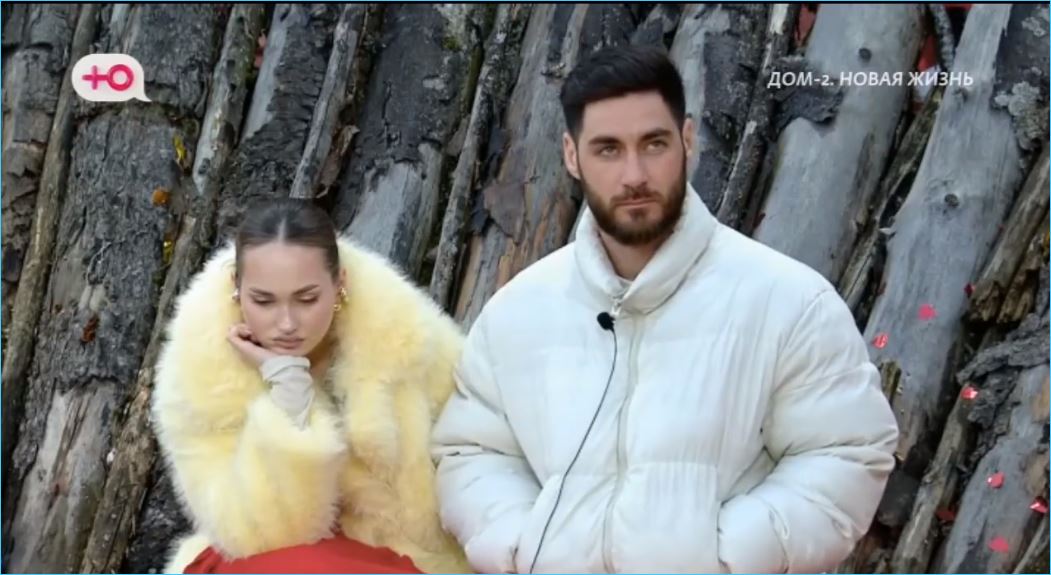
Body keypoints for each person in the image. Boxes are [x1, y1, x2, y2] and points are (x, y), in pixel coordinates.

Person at [431, 45, 899, 573]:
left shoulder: (788, 303)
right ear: (571, 155)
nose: (634, 174)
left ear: (688, 140)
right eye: (608, 149)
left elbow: (845, 451)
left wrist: (726, 557)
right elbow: (473, 451)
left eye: (653, 144)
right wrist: (523, 547)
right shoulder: (518, 312)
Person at [152, 199, 469, 573]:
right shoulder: (200, 372)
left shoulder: (411, 342)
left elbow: (481, 454)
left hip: (406, 558)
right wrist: (287, 395)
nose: (287, 323)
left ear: (340, 284)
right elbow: (253, 535)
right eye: (263, 301)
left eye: (307, 299)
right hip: (263, 556)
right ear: (236, 288)